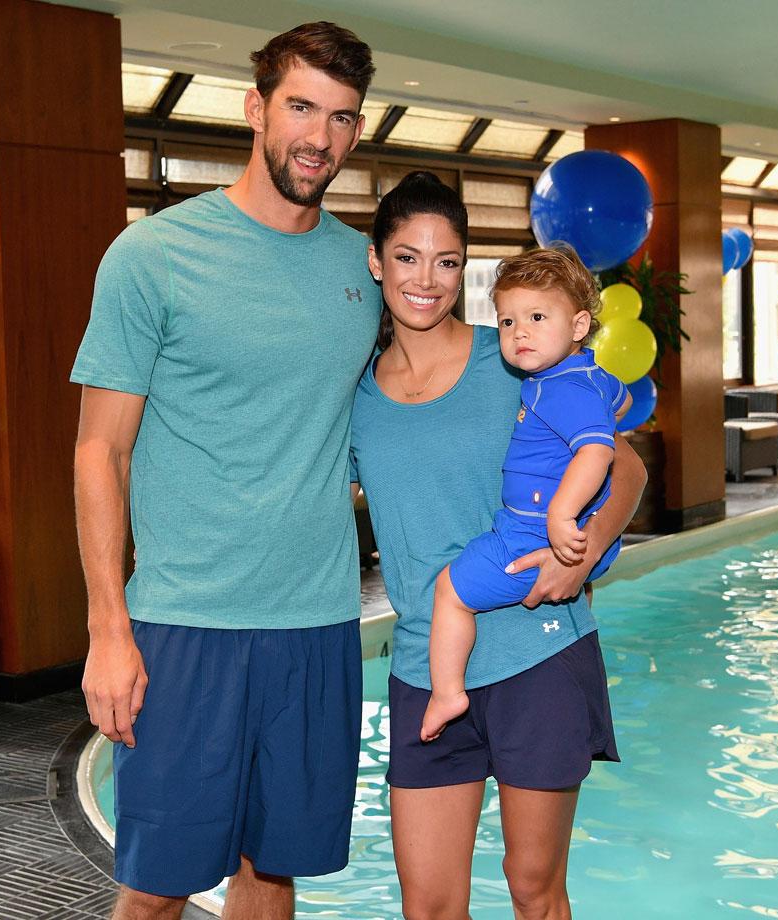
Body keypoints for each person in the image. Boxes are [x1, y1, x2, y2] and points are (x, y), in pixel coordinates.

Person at [71, 23, 378, 919]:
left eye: (342, 117)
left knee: (270, 872)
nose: (319, 137)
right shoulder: (153, 256)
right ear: (256, 109)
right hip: (185, 624)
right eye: (301, 107)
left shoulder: (362, 270)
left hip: (319, 623)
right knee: (158, 888)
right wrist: (108, 627)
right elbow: (101, 448)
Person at [350, 171, 647, 920]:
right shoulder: (351, 396)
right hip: (426, 667)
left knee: (534, 890)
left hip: (537, 654)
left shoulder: (517, 357)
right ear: (376, 262)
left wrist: (576, 562)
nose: (427, 280)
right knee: (429, 905)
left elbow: (628, 464)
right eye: (408, 258)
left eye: (447, 261)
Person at [421, 245, 630, 742]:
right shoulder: (577, 374)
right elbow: (619, 401)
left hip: (533, 535)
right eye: (509, 321)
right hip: (552, 530)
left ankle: (447, 691)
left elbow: (598, 452)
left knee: (450, 593)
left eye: (538, 317)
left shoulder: (562, 389)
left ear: (579, 326)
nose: (520, 333)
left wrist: (561, 515)